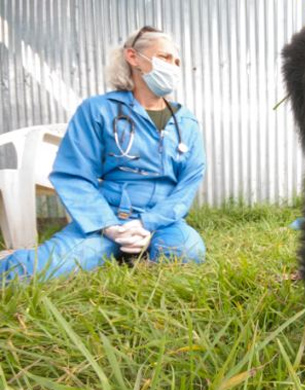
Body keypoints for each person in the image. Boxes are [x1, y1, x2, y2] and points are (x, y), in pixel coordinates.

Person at [0, 26, 206, 280]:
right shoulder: (97, 110)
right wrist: (109, 226)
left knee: (188, 253)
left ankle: (134, 251)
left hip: (164, 220)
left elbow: (188, 183)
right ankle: (109, 247)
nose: (173, 66)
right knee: (48, 268)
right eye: (164, 58)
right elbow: (74, 174)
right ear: (133, 57)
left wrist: (147, 223)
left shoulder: (186, 121)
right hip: (109, 217)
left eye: (177, 61)